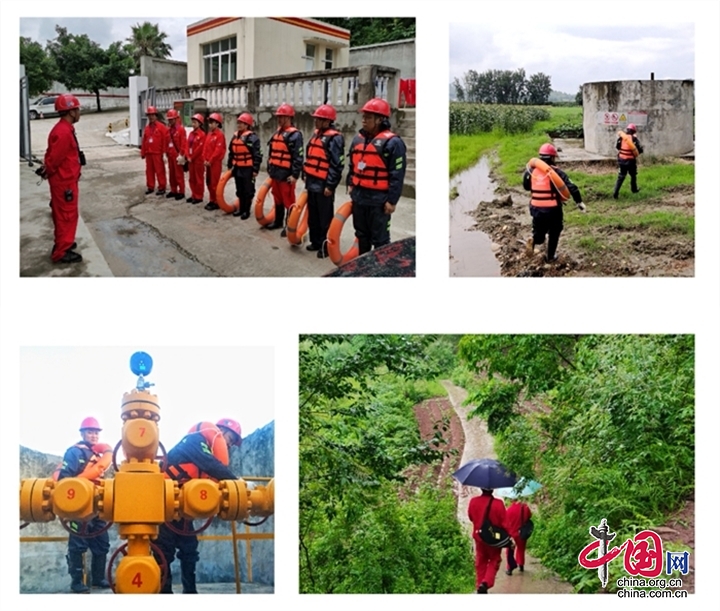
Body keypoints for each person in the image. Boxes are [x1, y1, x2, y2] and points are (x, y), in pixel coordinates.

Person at [155, 419, 242, 594]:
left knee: (189, 549)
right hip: (164, 505)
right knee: (164, 552)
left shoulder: (206, 452)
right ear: (220, 431)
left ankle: (190, 593)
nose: (229, 445)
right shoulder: (194, 441)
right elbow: (209, 463)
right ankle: (164, 594)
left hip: (183, 509)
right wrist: (238, 482)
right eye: (229, 439)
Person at [55, 417, 113, 594]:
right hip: (78, 508)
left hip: (96, 508)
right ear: (82, 433)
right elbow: (65, 480)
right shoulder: (74, 453)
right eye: (90, 432)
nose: (94, 435)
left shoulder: (98, 456)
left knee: (102, 543)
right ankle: (77, 582)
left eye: (96, 432)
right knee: (78, 544)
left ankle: (98, 579)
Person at [346, 98, 407, 255]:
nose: (364, 120)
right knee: (362, 236)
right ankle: (363, 270)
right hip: (359, 198)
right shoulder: (357, 140)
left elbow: (397, 175)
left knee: (380, 240)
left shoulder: (393, 143)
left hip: (379, 201)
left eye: (369, 117)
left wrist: (392, 201)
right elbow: (352, 166)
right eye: (363, 117)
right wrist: (351, 185)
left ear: (380, 119)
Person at [523, 143, 586, 262]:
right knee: (555, 231)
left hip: (536, 208)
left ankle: (534, 239)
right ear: (552, 158)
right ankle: (550, 256)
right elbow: (572, 187)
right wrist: (579, 202)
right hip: (553, 210)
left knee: (539, 231)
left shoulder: (530, 172)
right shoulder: (557, 173)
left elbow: (526, 187)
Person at [42, 94, 85, 264]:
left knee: (65, 214)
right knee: (66, 216)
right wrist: (48, 170)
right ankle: (61, 251)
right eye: (77, 109)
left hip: (66, 180)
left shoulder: (64, 129)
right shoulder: (63, 132)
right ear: (71, 112)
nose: (79, 112)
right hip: (64, 182)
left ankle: (64, 242)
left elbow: (53, 156)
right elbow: (55, 159)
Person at [303, 104, 345, 258]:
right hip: (312, 182)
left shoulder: (335, 138)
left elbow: (337, 164)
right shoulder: (316, 134)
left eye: (319, 119)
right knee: (313, 215)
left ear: (327, 121)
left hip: (323, 184)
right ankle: (315, 242)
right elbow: (310, 156)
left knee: (324, 217)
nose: (316, 122)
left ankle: (325, 246)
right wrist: (306, 174)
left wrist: (330, 185)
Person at [265, 104, 304, 235]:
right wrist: (270, 168)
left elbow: (298, 157)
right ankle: (278, 221)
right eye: (278, 117)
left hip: (286, 174)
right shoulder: (278, 132)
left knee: (289, 201)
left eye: (282, 117)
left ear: (289, 117)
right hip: (276, 173)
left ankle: (290, 225)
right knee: (277, 199)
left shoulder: (295, 135)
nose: (279, 119)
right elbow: (271, 152)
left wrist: (295, 175)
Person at [468, 488, 507, 593]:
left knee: (481, 560)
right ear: (493, 489)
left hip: (479, 537)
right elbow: (504, 523)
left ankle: (480, 584)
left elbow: (471, 517)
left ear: (481, 488)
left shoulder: (473, 501)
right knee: (495, 559)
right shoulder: (499, 504)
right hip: (493, 539)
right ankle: (486, 582)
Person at [227, 112, 262, 219]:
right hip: (238, 167)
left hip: (248, 169)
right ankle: (241, 209)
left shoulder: (252, 138)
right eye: (238, 123)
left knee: (248, 190)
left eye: (241, 123)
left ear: (247, 125)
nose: (239, 125)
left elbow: (257, 155)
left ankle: (246, 211)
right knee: (240, 189)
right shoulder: (235, 136)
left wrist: (255, 169)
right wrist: (230, 165)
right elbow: (231, 152)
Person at [140, 106, 169, 196]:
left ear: (156, 115)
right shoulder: (147, 128)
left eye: (152, 115)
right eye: (149, 115)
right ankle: (150, 186)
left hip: (158, 153)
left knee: (160, 171)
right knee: (149, 171)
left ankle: (162, 187)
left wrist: (164, 153)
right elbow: (144, 140)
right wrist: (143, 152)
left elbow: (165, 140)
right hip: (149, 153)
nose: (151, 117)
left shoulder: (162, 127)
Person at [202, 112, 227, 211]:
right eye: (210, 122)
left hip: (215, 163)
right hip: (208, 163)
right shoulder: (209, 134)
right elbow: (205, 147)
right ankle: (212, 199)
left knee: (214, 183)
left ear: (217, 124)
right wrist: (204, 159)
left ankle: (216, 201)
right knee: (209, 182)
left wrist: (210, 160)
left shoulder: (220, 135)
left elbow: (218, 150)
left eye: (212, 122)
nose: (210, 124)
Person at [613, 123, 644, 199]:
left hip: (621, 160)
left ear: (627, 130)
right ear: (634, 131)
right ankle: (634, 189)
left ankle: (615, 193)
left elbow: (618, 147)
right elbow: (639, 150)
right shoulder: (634, 139)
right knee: (633, 175)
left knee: (621, 177)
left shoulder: (621, 138)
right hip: (630, 161)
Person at [504, 499, 532, 575]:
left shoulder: (509, 510)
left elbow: (505, 522)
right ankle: (521, 565)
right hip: (522, 532)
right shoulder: (525, 507)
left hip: (512, 534)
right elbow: (530, 516)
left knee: (509, 551)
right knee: (521, 549)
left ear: (512, 499)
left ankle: (509, 568)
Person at [165, 109, 188, 201]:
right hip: (170, 155)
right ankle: (173, 190)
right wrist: (166, 153)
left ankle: (181, 191)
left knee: (179, 175)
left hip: (178, 155)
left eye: (172, 119)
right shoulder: (169, 130)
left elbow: (183, 143)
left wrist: (182, 154)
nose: (170, 121)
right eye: (169, 119)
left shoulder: (181, 130)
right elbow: (167, 142)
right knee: (172, 174)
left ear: (176, 119)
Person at [186, 113, 206, 205]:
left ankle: (199, 196)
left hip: (198, 160)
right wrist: (188, 156)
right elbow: (187, 145)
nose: (193, 124)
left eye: (195, 122)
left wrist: (192, 157)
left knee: (198, 178)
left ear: (200, 123)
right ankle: (193, 194)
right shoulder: (191, 134)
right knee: (192, 178)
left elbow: (199, 149)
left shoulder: (202, 135)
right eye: (192, 122)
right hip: (191, 160)